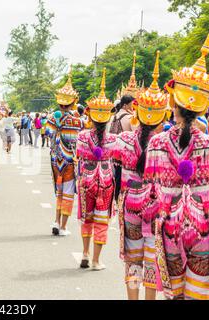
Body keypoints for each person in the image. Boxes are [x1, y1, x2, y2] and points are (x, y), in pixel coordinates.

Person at [144, 27, 209, 300]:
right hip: (204, 225)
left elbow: (151, 191)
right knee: (198, 293)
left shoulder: (158, 143)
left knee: (175, 293)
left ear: (172, 103)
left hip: (168, 223)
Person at [114, 51, 169, 300]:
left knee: (133, 259)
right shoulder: (166, 143)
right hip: (156, 207)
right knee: (151, 260)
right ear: (162, 117)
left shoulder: (125, 140)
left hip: (130, 205)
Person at [76, 68, 116, 271]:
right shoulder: (113, 139)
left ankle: (84, 252)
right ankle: (96, 260)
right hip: (106, 182)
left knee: (87, 219)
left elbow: (79, 156)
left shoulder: (82, 136)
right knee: (101, 221)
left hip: (86, 179)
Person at [47, 68, 84, 236]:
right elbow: (79, 141)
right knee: (68, 193)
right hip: (70, 160)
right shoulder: (78, 122)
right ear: (73, 102)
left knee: (59, 192)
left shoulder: (51, 119)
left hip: (56, 159)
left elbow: (49, 134)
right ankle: (62, 226)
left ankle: (56, 220)